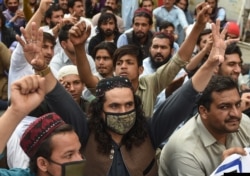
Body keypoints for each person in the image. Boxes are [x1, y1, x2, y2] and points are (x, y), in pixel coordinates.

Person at [16, 3, 226, 176]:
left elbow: (185, 97)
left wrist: (211, 63)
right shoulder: (85, 132)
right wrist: (42, 67)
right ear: (100, 110)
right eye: (114, 107)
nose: (124, 111)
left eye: (128, 105)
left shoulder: (150, 130)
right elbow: (60, 98)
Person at [72, 1, 215, 117]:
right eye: (119, 63)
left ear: (141, 69)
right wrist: (79, 47)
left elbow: (179, 59)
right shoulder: (107, 85)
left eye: (129, 62)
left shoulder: (150, 83)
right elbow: (87, 78)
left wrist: (199, 26)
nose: (123, 66)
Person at [0, 75, 100, 176]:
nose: (79, 159)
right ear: (43, 163)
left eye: (79, 152)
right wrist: (15, 111)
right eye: (69, 155)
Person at [158, 75, 250, 176]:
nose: (236, 114)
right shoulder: (183, 151)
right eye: (224, 107)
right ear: (204, 111)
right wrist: (227, 175)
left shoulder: (242, 122)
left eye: (237, 104)